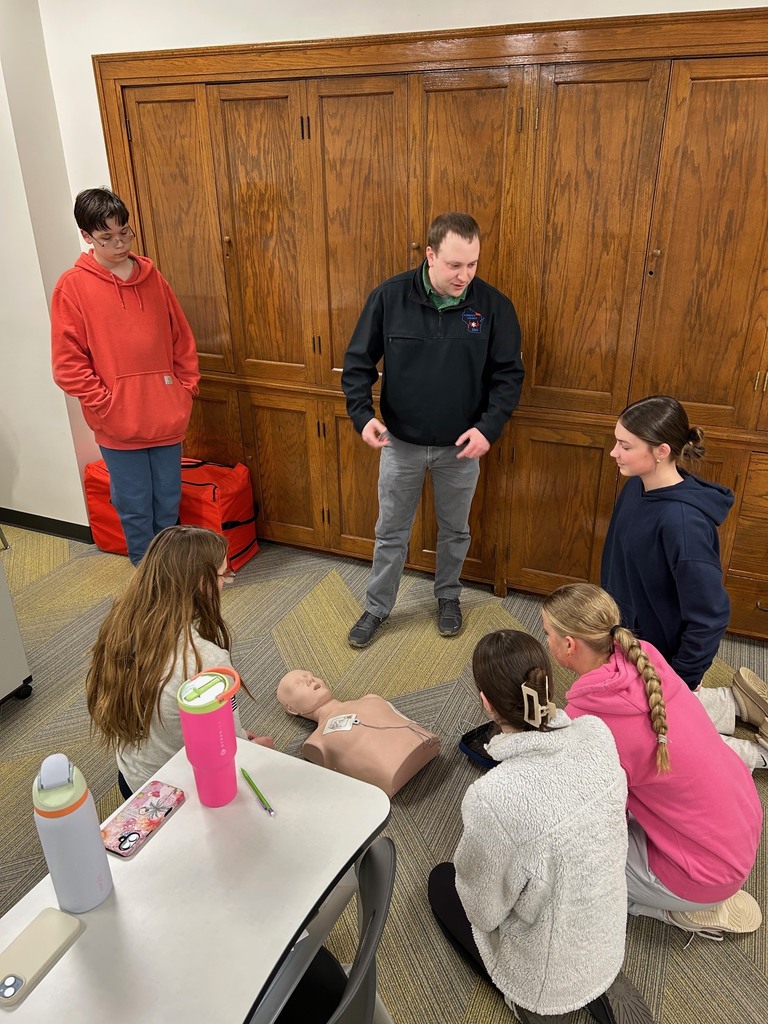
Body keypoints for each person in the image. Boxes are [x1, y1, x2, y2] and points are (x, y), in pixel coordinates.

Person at [428, 630, 651, 1024]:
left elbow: (483, 911)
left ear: (486, 702)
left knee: (442, 882)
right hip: (607, 936)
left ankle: (532, 1004)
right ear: (547, 684)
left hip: (544, 971)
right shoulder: (597, 733)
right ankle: (596, 979)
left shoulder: (492, 797)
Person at [341, 212, 524, 647]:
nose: (465, 275)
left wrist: (488, 428)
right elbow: (357, 364)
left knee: (455, 531)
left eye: (472, 264)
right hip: (400, 443)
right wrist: (362, 416)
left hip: (461, 447)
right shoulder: (389, 297)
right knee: (390, 532)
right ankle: (377, 606)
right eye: (455, 265)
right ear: (430, 255)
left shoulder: (493, 306)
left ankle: (448, 597)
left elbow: (508, 376)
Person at [542, 583, 763, 940]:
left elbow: (583, 809)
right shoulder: (644, 657)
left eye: (547, 634)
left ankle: (670, 909)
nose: (546, 641)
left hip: (704, 874)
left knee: (563, 852)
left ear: (569, 645)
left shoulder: (589, 721)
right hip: (741, 824)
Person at [601, 393, 768, 768]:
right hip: (633, 639)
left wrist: (682, 680)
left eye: (625, 445)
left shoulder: (683, 524)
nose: (614, 452)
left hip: (665, 658)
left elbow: (710, 615)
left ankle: (759, 754)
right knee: (628, 715)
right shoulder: (638, 485)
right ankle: (734, 702)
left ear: (661, 451)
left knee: (653, 739)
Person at [52, 188, 200, 566]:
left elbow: (181, 339)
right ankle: (146, 578)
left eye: (124, 233)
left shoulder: (153, 278)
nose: (119, 243)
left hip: (165, 416)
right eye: (107, 237)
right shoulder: (72, 286)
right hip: (118, 423)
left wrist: (184, 389)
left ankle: (168, 573)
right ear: (86, 236)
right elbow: (68, 365)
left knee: (168, 502)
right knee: (134, 506)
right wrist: (108, 403)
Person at [86, 525, 271, 798]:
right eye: (223, 575)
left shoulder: (119, 624)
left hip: (132, 779)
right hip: (180, 792)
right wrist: (255, 749)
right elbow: (227, 747)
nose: (225, 583)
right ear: (202, 583)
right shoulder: (206, 660)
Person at [276, 670, 440, 797]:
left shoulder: (371, 698)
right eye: (299, 684)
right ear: (292, 709)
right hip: (394, 775)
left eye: (311, 675)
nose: (310, 680)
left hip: (426, 741)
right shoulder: (316, 742)